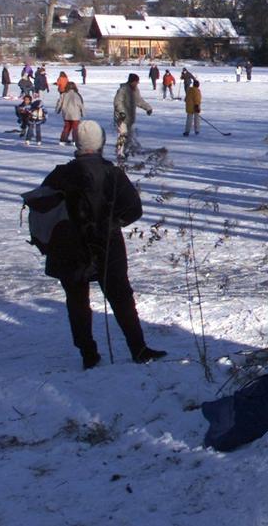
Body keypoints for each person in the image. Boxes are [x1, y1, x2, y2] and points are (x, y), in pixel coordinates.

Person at [40, 120, 167, 369]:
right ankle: (138, 349)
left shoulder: (59, 174)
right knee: (120, 297)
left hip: (69, 248)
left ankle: (88, 355)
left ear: (77, 144)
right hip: (107, 244)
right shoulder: (112, 173)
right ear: (100, 144)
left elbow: (44, 210)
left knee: (77, 301)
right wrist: (113, 222)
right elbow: (134, 209)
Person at [113, 73, 153, 160]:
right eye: (136, 82)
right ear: (132, 81)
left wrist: (148, 108)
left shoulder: (135, 90)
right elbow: (117, 102)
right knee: (122, 135)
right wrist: (122, 112)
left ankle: (124, 151)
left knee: (128, 136)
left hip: (130, 117)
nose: (137, 84)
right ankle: (119, 153)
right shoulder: (123, 89)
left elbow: (139, 100)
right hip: (121, 117)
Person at [56, 81, 85, 146]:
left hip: (66, 114)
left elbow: (59, 103)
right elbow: (81, 104)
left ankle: (63, 140)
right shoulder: (77, 95)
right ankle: (75, 140)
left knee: (67, 127)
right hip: (75, 114)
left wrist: (57, 110)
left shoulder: (63, 94)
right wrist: (83, 113)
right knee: (75, 128)